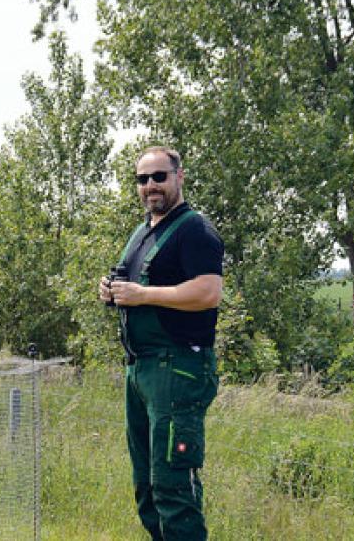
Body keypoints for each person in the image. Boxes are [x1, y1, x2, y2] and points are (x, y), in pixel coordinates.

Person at [98, 146, 224, 540]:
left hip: (179, 367)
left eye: (159, 177)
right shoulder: (143, 232)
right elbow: (134, 285)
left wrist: (144, 295)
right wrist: (110, 291)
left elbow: (208, 292)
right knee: (147, 486)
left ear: (179, 177)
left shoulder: (194, 229)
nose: (150, 185)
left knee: (173, 485)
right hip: (142, 368)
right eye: (142, 179)